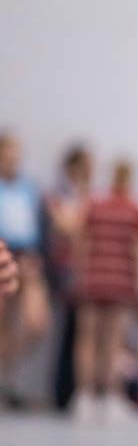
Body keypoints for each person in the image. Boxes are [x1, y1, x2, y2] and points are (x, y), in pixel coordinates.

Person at [71, 160, 138, 423]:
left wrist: (80, 273)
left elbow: (80, 241)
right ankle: (110, 397)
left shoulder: (94, 205)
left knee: (87, 339)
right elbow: (137, 250)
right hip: (120, 281)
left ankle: (84, 397)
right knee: (113, 342)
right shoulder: (134, 210)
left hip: (92, 278)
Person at [0, 132, 51, 408]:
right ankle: (5, 382)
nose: (12, 159)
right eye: (7, 154)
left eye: (16, 154)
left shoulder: (30, 188)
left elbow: (41, 224)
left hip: (28, 257)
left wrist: (39, 255)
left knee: (35, 323)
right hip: (3, 253)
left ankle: (5, 364)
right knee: (3, 322)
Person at [47, 144, 94, 410]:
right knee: (70, 331)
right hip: (67, 270)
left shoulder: (88, 195)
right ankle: (64, 393)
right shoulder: (60, 195)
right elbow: (67, 226)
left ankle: (76, 390)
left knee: (80, 331)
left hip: (87, 269)